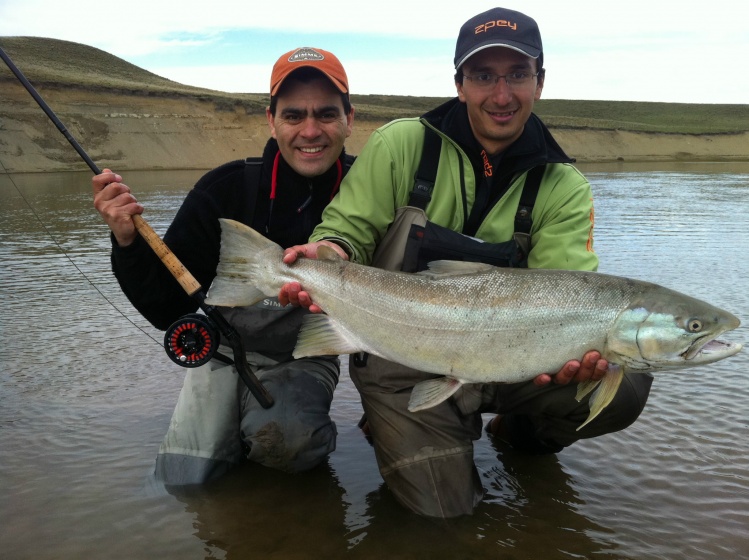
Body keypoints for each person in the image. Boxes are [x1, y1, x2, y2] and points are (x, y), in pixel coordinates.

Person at [279, 8, 653, 517]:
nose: (501, 95)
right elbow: (347, 231)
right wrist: (325, 256)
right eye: (483, 76)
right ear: (459, 84)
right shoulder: (402, 145)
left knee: (625, 383)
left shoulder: (564, 188)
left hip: (513, 361)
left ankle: (518, 433)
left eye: (517, 75)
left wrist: (574, 364)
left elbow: (571, 299)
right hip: (402, 360)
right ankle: (395, 418)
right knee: (445, 516)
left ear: (540, 83)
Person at [92, 47, 356, 483]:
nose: (311, 131)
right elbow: (166, 310)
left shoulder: (371, 192)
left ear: (350, 117)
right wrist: (126, 241)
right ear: (271, 120)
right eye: (293, 116)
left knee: (290, 447)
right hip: (223, 351)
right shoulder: (225, 188)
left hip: (307, 353)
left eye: (326, 114)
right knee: (185, 478)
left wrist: (386, 405)